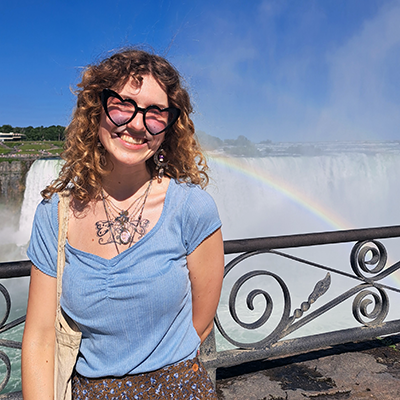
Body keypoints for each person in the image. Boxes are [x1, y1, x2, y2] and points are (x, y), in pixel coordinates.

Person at [21, 48, 224, 400]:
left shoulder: (192, 208)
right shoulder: (55, 214)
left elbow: (201, 323)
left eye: (156, 113)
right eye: (122, 104)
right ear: (96, 108)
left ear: (170, 126)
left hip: (177, 389)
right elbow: (39, 338)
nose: (135, 123)